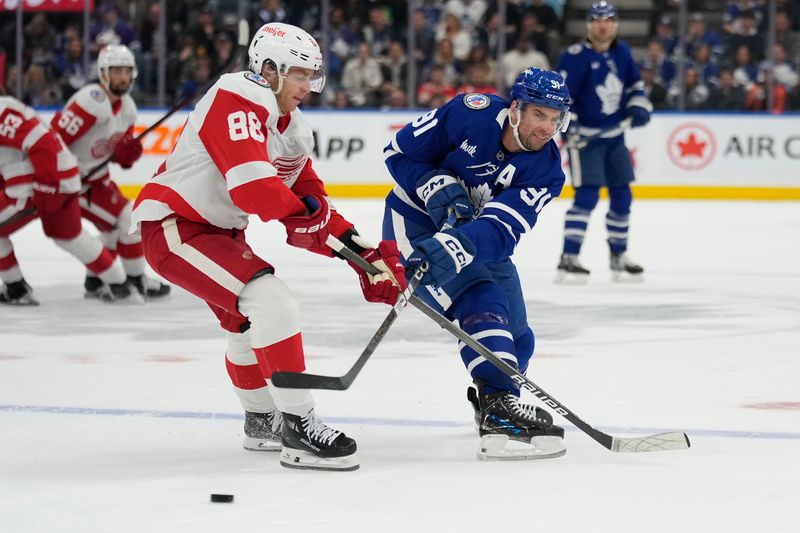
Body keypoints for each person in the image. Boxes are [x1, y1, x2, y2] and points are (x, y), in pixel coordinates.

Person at [130, 23, 406, 471]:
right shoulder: (237, 94)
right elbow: (256, 191)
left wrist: (366, 258)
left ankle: (262, 419)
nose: (307, 87)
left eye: (311, 76)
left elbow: (316, 209)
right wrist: (309, 215)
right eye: (299, 74)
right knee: (272, 303)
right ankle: (299, 425)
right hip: (176, 227)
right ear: (269, 69)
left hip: (217, 234)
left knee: (245, 322)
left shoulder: (292, 130)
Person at [381, 67, 570, 460]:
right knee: (481, 298)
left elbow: (501, 229)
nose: (548, 128)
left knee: (518, 336)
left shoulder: (547, 170)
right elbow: (397, 153)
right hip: (415, 228)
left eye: (556, 118)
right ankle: (500, 407)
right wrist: (432, 182)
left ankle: (494, 406)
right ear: (516, 109)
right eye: (540, 115)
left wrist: (458, 244)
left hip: (476, 241)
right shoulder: (470, 112)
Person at [50, 44, 170, 300]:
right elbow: (54, 140)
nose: (122, 78)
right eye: (116, 71)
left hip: (97, 182)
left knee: (120, 225)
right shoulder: (91, 100)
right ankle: (136, 279)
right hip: (74, 184)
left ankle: (96, 280)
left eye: (126, 71)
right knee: (126, 220)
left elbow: (117, 157)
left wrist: (127, 154)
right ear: (103, 73)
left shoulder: (128, 108)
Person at [0, 95, 134, 304]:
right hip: (63, 175)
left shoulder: (2, 112)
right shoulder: (7, 106)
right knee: (69, 236)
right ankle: (119, 285)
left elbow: (41, 142)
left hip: (40, 180)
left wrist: (47, 185)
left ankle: (16, 289)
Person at [556, 0, 651, 283]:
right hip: (585, 141)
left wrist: (638, 106)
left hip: (614, 139)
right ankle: (569, 257)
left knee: (623, 195)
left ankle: (618, 255)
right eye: (597, 20)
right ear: (589, 25)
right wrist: (568, 126)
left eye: (608, 19)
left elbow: (635, 86)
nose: (603, 25)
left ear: (615, 24)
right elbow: (561, 97)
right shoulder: (574, 56)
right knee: (587, 196)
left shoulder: (622, 53)